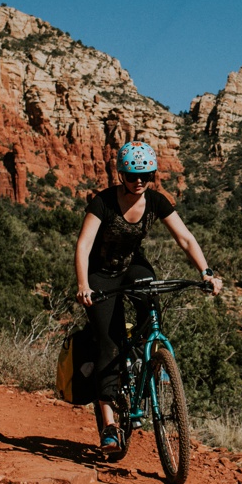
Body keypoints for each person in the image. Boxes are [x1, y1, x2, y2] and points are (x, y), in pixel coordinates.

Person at [74, 140, 222, 452]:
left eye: (146, 176)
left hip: (131, 266)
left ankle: (151, 359)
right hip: (100, 274)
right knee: (109, 344)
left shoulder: (155, 201)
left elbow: (184, 237)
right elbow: (84, 245)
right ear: (120, 175)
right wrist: (84, 284)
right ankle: (110, 425)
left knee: (150, 297)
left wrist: (206, 272)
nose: (139, 182)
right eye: (132, 176)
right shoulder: (103, 202)